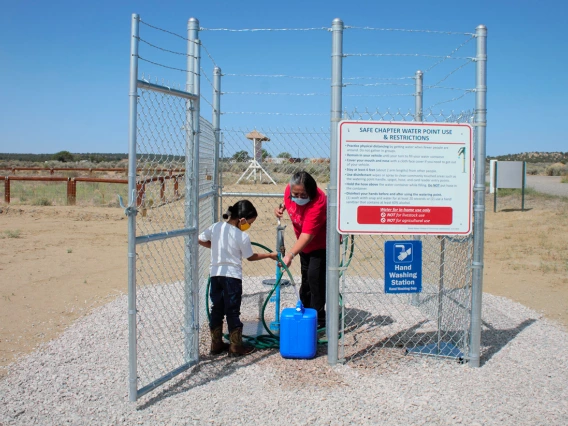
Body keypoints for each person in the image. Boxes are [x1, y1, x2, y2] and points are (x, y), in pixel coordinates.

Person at [199, 200, 277, 357]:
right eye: (250, 222)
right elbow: (250, 256)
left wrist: (215, 246)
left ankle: (216, 344)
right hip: (232, 277)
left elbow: (200, 239)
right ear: (242, 220)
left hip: (215, 275)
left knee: (217, 308)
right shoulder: (242, 236)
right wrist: (269, 255)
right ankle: (235, 347)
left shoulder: (216, 227)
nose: (249, 225)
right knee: (232, 311)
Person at [274, 171, 327, 328]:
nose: (298, 197)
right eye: (295, 194)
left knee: (314, 278)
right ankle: (305, 312)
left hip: (321, 243)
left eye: (303, 195)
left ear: (310, 191)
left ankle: (319, 320)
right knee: (305, 277)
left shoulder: (318, 202)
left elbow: (307, 236)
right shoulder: (290, 191)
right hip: (304, 245)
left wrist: (290, 255)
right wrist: (281, 207)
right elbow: (286, 201)